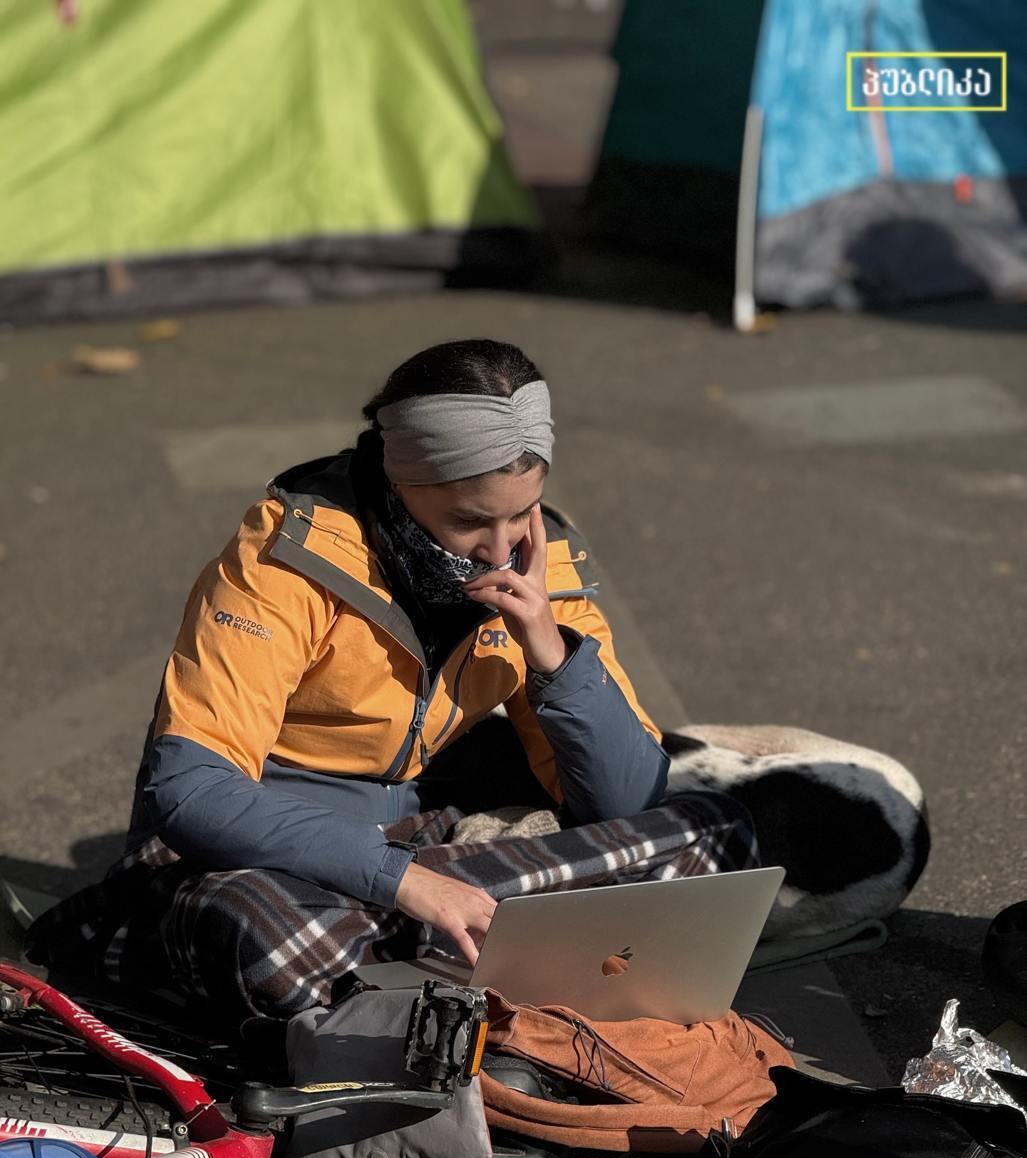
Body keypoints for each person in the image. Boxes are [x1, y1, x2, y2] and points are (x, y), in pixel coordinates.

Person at [27, 339, 758, 1027]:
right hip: (274, 859)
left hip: (429, 843)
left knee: (717, 830)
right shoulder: (287, 557)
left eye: (519, 514)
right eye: (469, 520)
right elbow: (190, 794)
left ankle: (430, 970)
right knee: (260, 932)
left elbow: (625, 802)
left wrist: (550, 650)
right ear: (401, 480)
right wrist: (406, 884)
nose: (500, 548)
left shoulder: (544, 561)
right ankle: (499, 961)